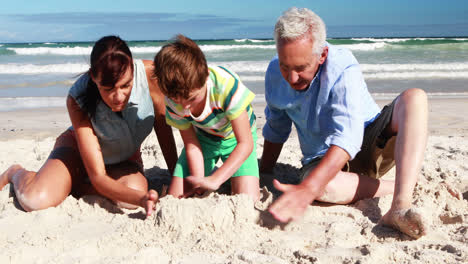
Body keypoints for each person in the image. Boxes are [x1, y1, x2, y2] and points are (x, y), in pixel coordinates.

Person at [260, 7, 428, 239]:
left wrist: (308, 189)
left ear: (322, 55)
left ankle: (400, 203)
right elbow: (277, 127)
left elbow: (348, 137)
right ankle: (397, 185)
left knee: (415, 97)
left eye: (301, 68)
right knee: (320, 185)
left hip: (369, 141)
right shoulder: (273, 74)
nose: (292, 78)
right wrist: (264, 171)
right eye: (285, 66)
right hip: (321, 158)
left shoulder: (341, 64)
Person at [0, 36, 178, 217]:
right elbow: (98, 176)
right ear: (94, 77)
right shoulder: (77, 97)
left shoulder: (152, 76)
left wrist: (176, 176)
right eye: (108, 89)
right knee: (36, 200)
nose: (119, 97)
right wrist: (141, 199)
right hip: (76, 154)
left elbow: (163, 128)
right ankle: (15, 173)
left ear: (133, 68)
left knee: (130, 196)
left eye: (125, 85)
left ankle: (73, 184)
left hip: (123, 160)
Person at [153, 35, 260, 201]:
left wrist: (216, 179)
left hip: (235, 138)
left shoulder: (226, 87)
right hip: (203, 138)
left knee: (247, 200)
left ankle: (225, 176)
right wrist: (199, 182)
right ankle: (220, 176)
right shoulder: (173, 100)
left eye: (191, 99)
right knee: (176, 197)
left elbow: (245, 144)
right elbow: (191, 144)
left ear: (205, 76)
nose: (185, 107)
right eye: (177, 101)